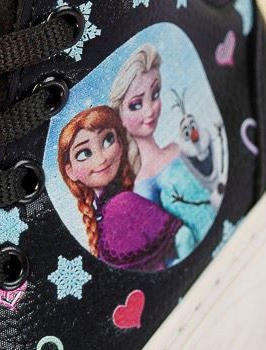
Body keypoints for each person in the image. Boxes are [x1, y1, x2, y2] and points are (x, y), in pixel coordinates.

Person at [110, 45, 216, 260]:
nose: (150, 110)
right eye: (136, 105)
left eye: (155, 94)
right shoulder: (143, 185)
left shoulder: (176, 148)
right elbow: (167, 246)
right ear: (120, 118)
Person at [57, 105, 178, 272]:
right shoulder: (103, 214)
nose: (101, 159)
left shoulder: (123, 204)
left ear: (120, 144)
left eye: (108, 140)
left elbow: (181, 242)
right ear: (70, 171)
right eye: (84, 154)